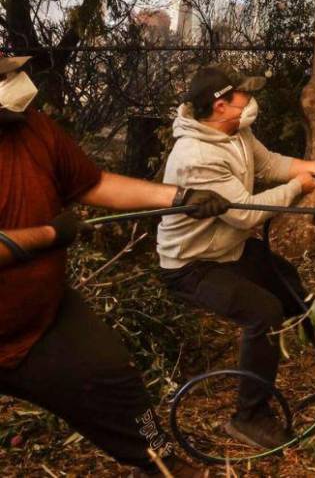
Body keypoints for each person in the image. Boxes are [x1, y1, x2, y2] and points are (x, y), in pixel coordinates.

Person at [0, 54, 228, 477]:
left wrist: (179, 198)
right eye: (3, 77)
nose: (16, 82)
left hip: (43, 321)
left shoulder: (33, 127)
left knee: (115, 379)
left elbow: (95, 183)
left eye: (12, 71)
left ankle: (160, 461)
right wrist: (50, 235)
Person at [156, 63, 315, 451]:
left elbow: (271, 163)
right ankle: (249, 417)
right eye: (243, 95)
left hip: (228, 247)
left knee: (290, 284)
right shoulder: (195, 156)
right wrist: (296, 190)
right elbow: (244, 213)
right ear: (220, 105)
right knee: (263, 312)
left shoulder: (235, 131)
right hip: (192, 265)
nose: (250, 100)